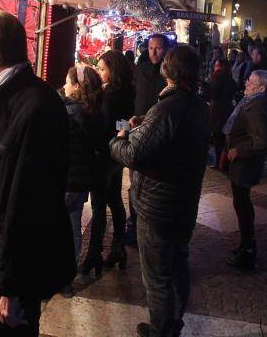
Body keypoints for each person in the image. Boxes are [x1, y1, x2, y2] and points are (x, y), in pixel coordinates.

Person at [0, 11, 75, 335]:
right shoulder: (15, 100)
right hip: (12, 262)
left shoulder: (34, 107)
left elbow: (30, 202)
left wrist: (11, 287)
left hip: (21, 269)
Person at [109, 46, 210, 337]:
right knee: (178, 264)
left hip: (157, 206)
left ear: (168, 69)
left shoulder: (167, 107)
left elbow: (133, 155)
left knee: (157, 276)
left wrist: (119, 139)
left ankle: (161, 329)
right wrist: (147, 129)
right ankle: (174, 323)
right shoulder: (199, 106)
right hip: (184, 202)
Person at [82, 50, 134, 275]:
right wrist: (120, 136)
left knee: (99, 204)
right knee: (114, 200)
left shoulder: (110, 95)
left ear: (113, 70)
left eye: (102, 69)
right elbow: (124, 123)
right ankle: (118, 246)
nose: (100, 73)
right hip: (115, 154)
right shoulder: (127, 90)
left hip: (103, 155)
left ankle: (94, 252)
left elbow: (105, 125)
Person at [222, 70, 267, 271]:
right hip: (241, 163)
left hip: (246, 164)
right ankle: (245, 245)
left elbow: (261, 143)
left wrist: (238, 150)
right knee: (240, 203)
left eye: (251, 81)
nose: (246, 83)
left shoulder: (258, 106)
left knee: (242, 205)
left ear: (261, 88)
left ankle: (248, 250)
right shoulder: (250, 102)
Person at [129, 34, 169, 247]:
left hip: (156, 132)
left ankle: (148, 224)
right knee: (134, 180)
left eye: (158, 48)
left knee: (151, 182)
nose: (154, 52)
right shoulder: (141, 70)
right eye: (151, 47)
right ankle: (133, 222)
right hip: (137, 128)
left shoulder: (169, 75)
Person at [62, 63, 102, 262]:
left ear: (77, 85)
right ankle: (68, 278)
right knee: (74, 227)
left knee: (57, 228)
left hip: (66, 180)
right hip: (83, 181)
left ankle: (56, 274)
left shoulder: (67, 111)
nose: (64, 85)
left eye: (68, 82)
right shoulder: (95, 111)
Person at [208, 57, 237, 166]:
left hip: (217, 111)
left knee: (218, 138)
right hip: (227, 110)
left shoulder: (217, 78)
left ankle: (218, 161)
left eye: (217, 65)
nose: (215, 68)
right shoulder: (230, 79)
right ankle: (224, 161)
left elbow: (213, 94)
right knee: (224, 137)